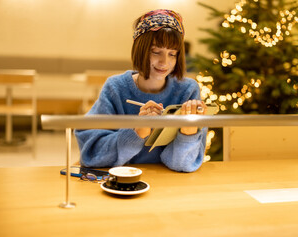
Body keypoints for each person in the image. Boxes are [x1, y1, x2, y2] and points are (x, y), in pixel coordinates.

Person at [75, 9, 208, 172]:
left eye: (172, 54)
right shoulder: (116, 88)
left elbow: (183, 165)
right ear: (141, 50)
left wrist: (188, 132)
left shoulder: (187, 90)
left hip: (170, 185)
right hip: (124, 184)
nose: (164, 62)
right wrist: (137, 132)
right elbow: (93, 153)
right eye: (156, 52)